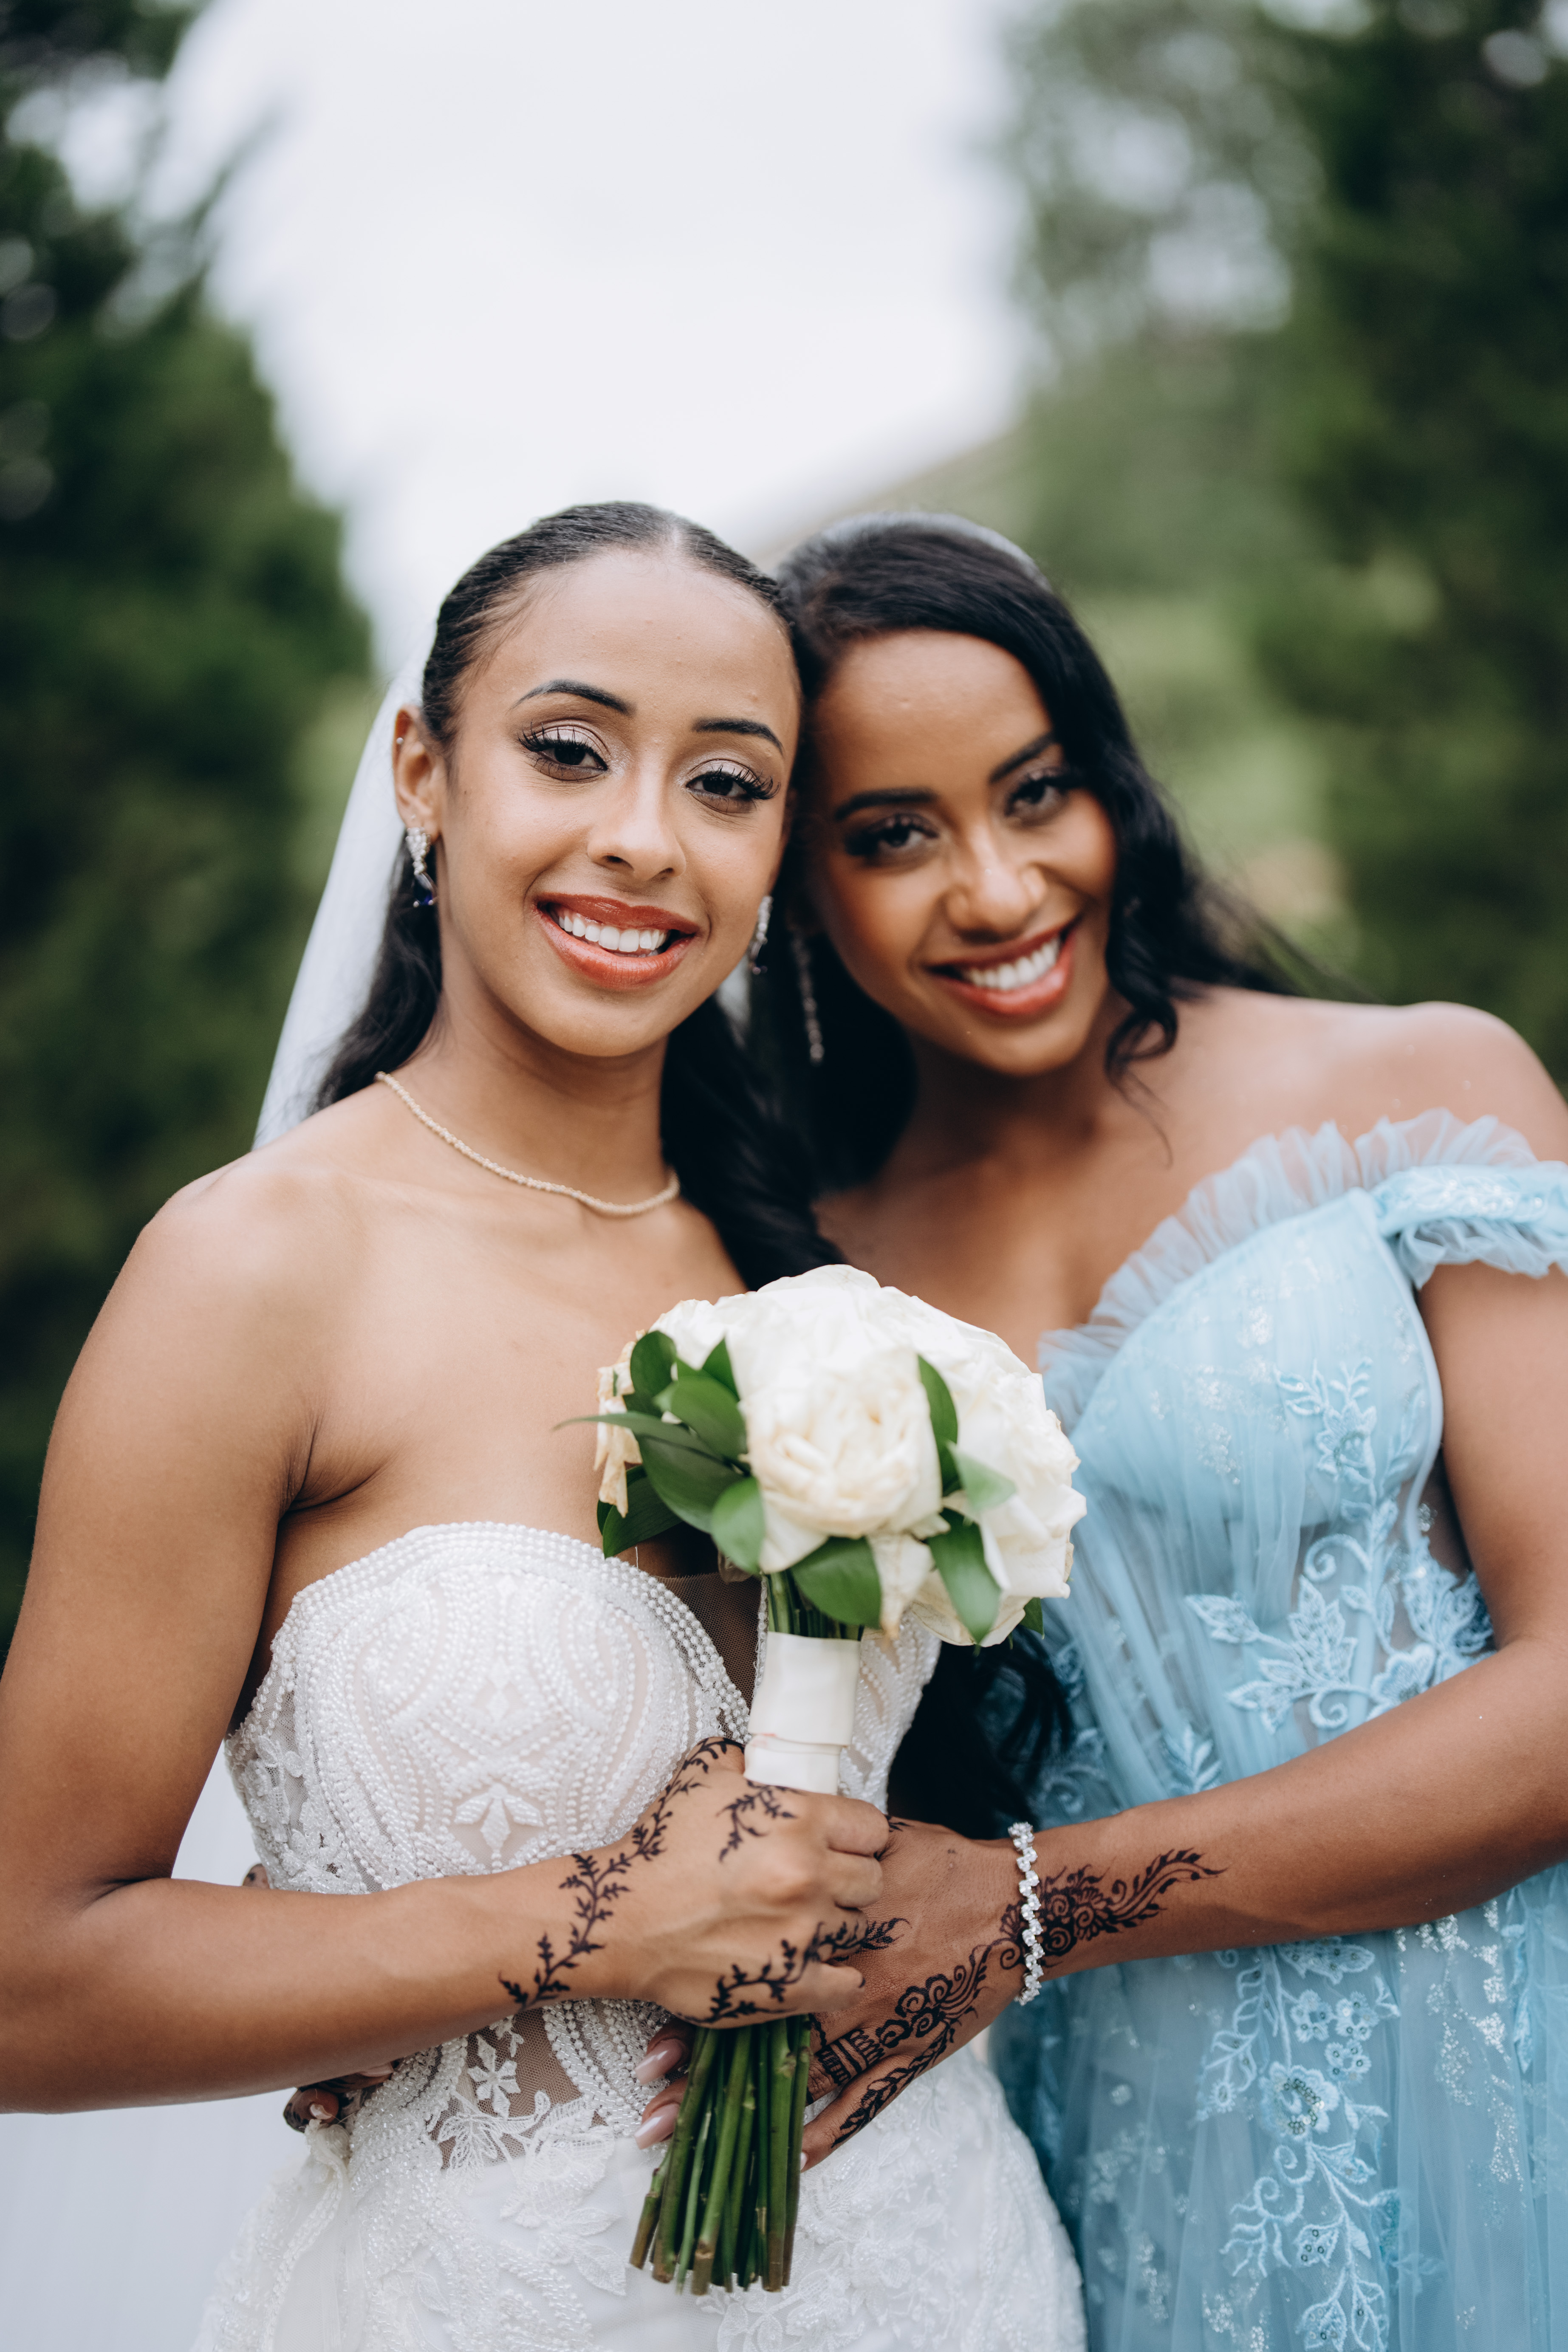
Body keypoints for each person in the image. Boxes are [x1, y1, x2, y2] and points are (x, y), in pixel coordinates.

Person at [0, 502, 1084, 2352]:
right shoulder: (256, 1271)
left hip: (942, 2276)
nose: (643, 837)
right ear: (422, 775)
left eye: (726, 784)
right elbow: (31, 1977)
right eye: (568, 750)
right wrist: (583, 1919)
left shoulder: (820, 1277)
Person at [744, 511, 1568, 2351]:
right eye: (892, 834)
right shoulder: (803, 1290)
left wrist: (1033, 1902)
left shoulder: (1421, 1087)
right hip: (1127, 2159)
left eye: (1034, 792)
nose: (996, 888)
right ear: (794, 877)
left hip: (1514, 2072)